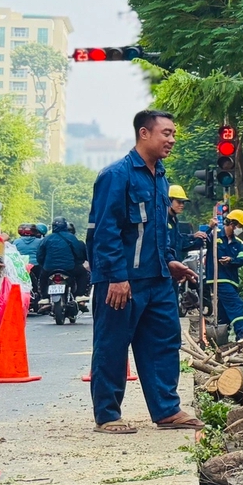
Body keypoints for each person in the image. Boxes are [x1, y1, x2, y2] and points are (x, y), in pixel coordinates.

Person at [88, 110, 199, 433]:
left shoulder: (160, 175)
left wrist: (169, 261)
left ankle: (166, 410)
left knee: (164, 342)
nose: (172, 140)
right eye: (166, 133)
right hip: (122, 281)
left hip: (158, 280)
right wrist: (116, 277)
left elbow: (159, 229)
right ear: (144, 134)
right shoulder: (116, 175)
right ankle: (108, 415)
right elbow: (105, 231)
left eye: (174, 133)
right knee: (112, 345)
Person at [205, 208, 243, 343]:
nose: (240, 229)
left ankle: (220, 339)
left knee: (224, 309)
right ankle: (241, 334)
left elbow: (242, 258)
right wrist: (209, 228)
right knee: (236, 304)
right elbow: (200, 239)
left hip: (232, 280)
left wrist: (231, 260)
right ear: (232, 224)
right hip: (218, 278)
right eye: (239, 226)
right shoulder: (215, 235)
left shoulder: (239, 243)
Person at [34, 216, 90, 305]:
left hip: (49, 268)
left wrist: (43, 265)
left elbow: (40, 255)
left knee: (42, 277)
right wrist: (79, 262)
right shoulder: (71, 238)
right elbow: (78, 252)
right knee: (82, 273)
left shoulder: (47, 239)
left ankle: (45, 298)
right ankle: (79, 295)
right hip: (69, 267)